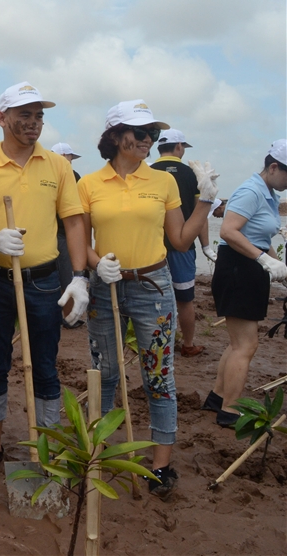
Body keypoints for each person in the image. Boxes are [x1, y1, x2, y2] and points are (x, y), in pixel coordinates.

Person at [78, 100, 217, 500]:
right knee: (103, 373)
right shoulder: (88, 184)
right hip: (106, 286)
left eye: (152, 135)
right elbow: (80, 241)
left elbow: (178, 240)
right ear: (115, 136)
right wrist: (94, 264)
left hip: (153, 287)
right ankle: (96, 455)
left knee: (158, 375)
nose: (148, 140)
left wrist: (205, 203)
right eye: (140, 133)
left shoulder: (164, 182)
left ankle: (160, 464)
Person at [0, 83, 88, 473]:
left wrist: (80, 276)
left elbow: (73, 222)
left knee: (45, 366)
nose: (33, 124)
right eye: (24, 116)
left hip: (46, 281)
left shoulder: (57, 166)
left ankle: (45, 450)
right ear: (2, 119)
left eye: (38, 117)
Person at [204, 139, 287, 427]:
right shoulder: (251, 191)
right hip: (238, 269)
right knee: (246, 345)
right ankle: (230, 411)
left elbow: (259, 238)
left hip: (249, 269)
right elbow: (228, 231)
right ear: (273, 167)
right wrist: (264, 261)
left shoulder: (270, 194)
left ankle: (217, 397)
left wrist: (279, 266)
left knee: (238, 342)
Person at [151, 129, 214, 357]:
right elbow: (201, 216)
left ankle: (155, 346)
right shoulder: (191, 174)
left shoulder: (147, 172)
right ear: (179, 147)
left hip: (152, 249)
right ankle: (188, 345)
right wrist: (206, 246)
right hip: (183, 247)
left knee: (151, 299)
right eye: (184, 147)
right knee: (185, 300)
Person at [51, 142, 86, 328]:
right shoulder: (73, 176)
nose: (71, 160)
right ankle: (68, 317)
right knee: (67, 276)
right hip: (65, 234)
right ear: (65, 155)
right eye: (71, 157)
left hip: (48, 233)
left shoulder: (47, 173)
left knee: (50, 277)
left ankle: (57, 314)